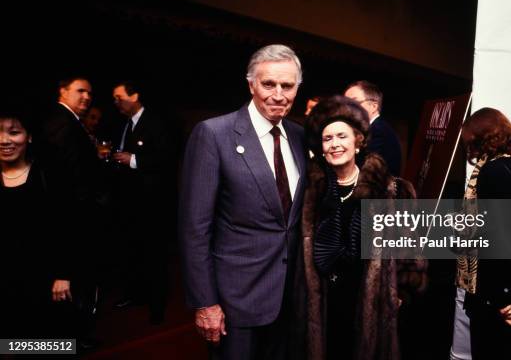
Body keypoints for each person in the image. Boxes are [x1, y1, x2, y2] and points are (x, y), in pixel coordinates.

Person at [179, 44, 307, 359]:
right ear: (251, 84)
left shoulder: (302, 137)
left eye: (287, 86)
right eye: (269, 84)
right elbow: (195, 227)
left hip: (290, 300)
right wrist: (205, 302)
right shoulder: (213, 134)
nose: (278, 94)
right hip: (235, 303)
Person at [297, 95, 422, 360]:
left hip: (370, 301)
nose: (335, 145)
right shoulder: (310, 193)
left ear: (357, 142)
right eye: (327, 139)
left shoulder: (391, 190)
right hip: (324, 304)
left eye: (342, 137)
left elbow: (410, 248)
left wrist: (400, 292)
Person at [458, 108, 511, 360]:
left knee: (490, 352)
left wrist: (500, 297)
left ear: (480, 137)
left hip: (496, 287)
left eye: (469, 138)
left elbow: (498, 238)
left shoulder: (493, 172)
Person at [38, 77, 107, 349]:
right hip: (72, 221)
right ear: (62, 91)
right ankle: (69, 342)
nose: (87, 97)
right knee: (71, 287)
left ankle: (73, 338)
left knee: (77, 287)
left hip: (75, 219)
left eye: (90, 93)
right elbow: (66, 188)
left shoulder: (68, 122)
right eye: (80, 91)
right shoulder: (61, 123)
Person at [111, 80, 178, 324]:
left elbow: (168, 158)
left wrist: (133, 160)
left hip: (153, 205)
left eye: (119, 97)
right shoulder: (124, 125)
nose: (116, 102)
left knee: (155, 256)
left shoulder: (157, 123)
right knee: (134, 252)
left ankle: (157, 306)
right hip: (129, 202)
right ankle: (136, 295)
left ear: (135, 95)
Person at [0, 106, 69, 338]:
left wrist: (63, 274)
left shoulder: (47, 175)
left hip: (44, 280)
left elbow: (65, 228)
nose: (4, 140)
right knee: (10, 343)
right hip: (5, 282)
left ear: (28, 136)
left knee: (49, 342)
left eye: (14, 132)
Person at [345, 80, 402, 176]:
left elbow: (368, 174)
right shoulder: (372, 129)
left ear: (374, 106)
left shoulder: (379, 131)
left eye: (354, 102)